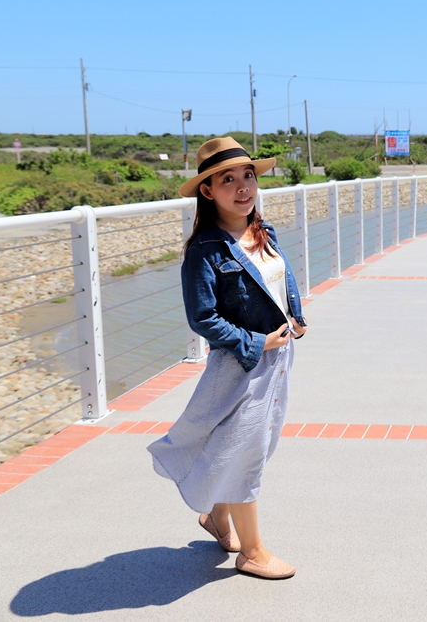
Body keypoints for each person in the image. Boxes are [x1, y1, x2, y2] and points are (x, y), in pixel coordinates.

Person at [148, 137, 307, 580]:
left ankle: (218, 518)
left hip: (278, 358)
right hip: (242, 363)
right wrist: (258, 343)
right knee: (245, 455)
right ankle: (252, 552)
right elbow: (202, 318)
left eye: (248, 176)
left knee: (251, 445)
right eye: (228, 179)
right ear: (208, 190)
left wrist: (295, 314)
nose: (243, 187)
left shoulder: (262, 231)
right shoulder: (205, 251)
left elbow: (279, 278)